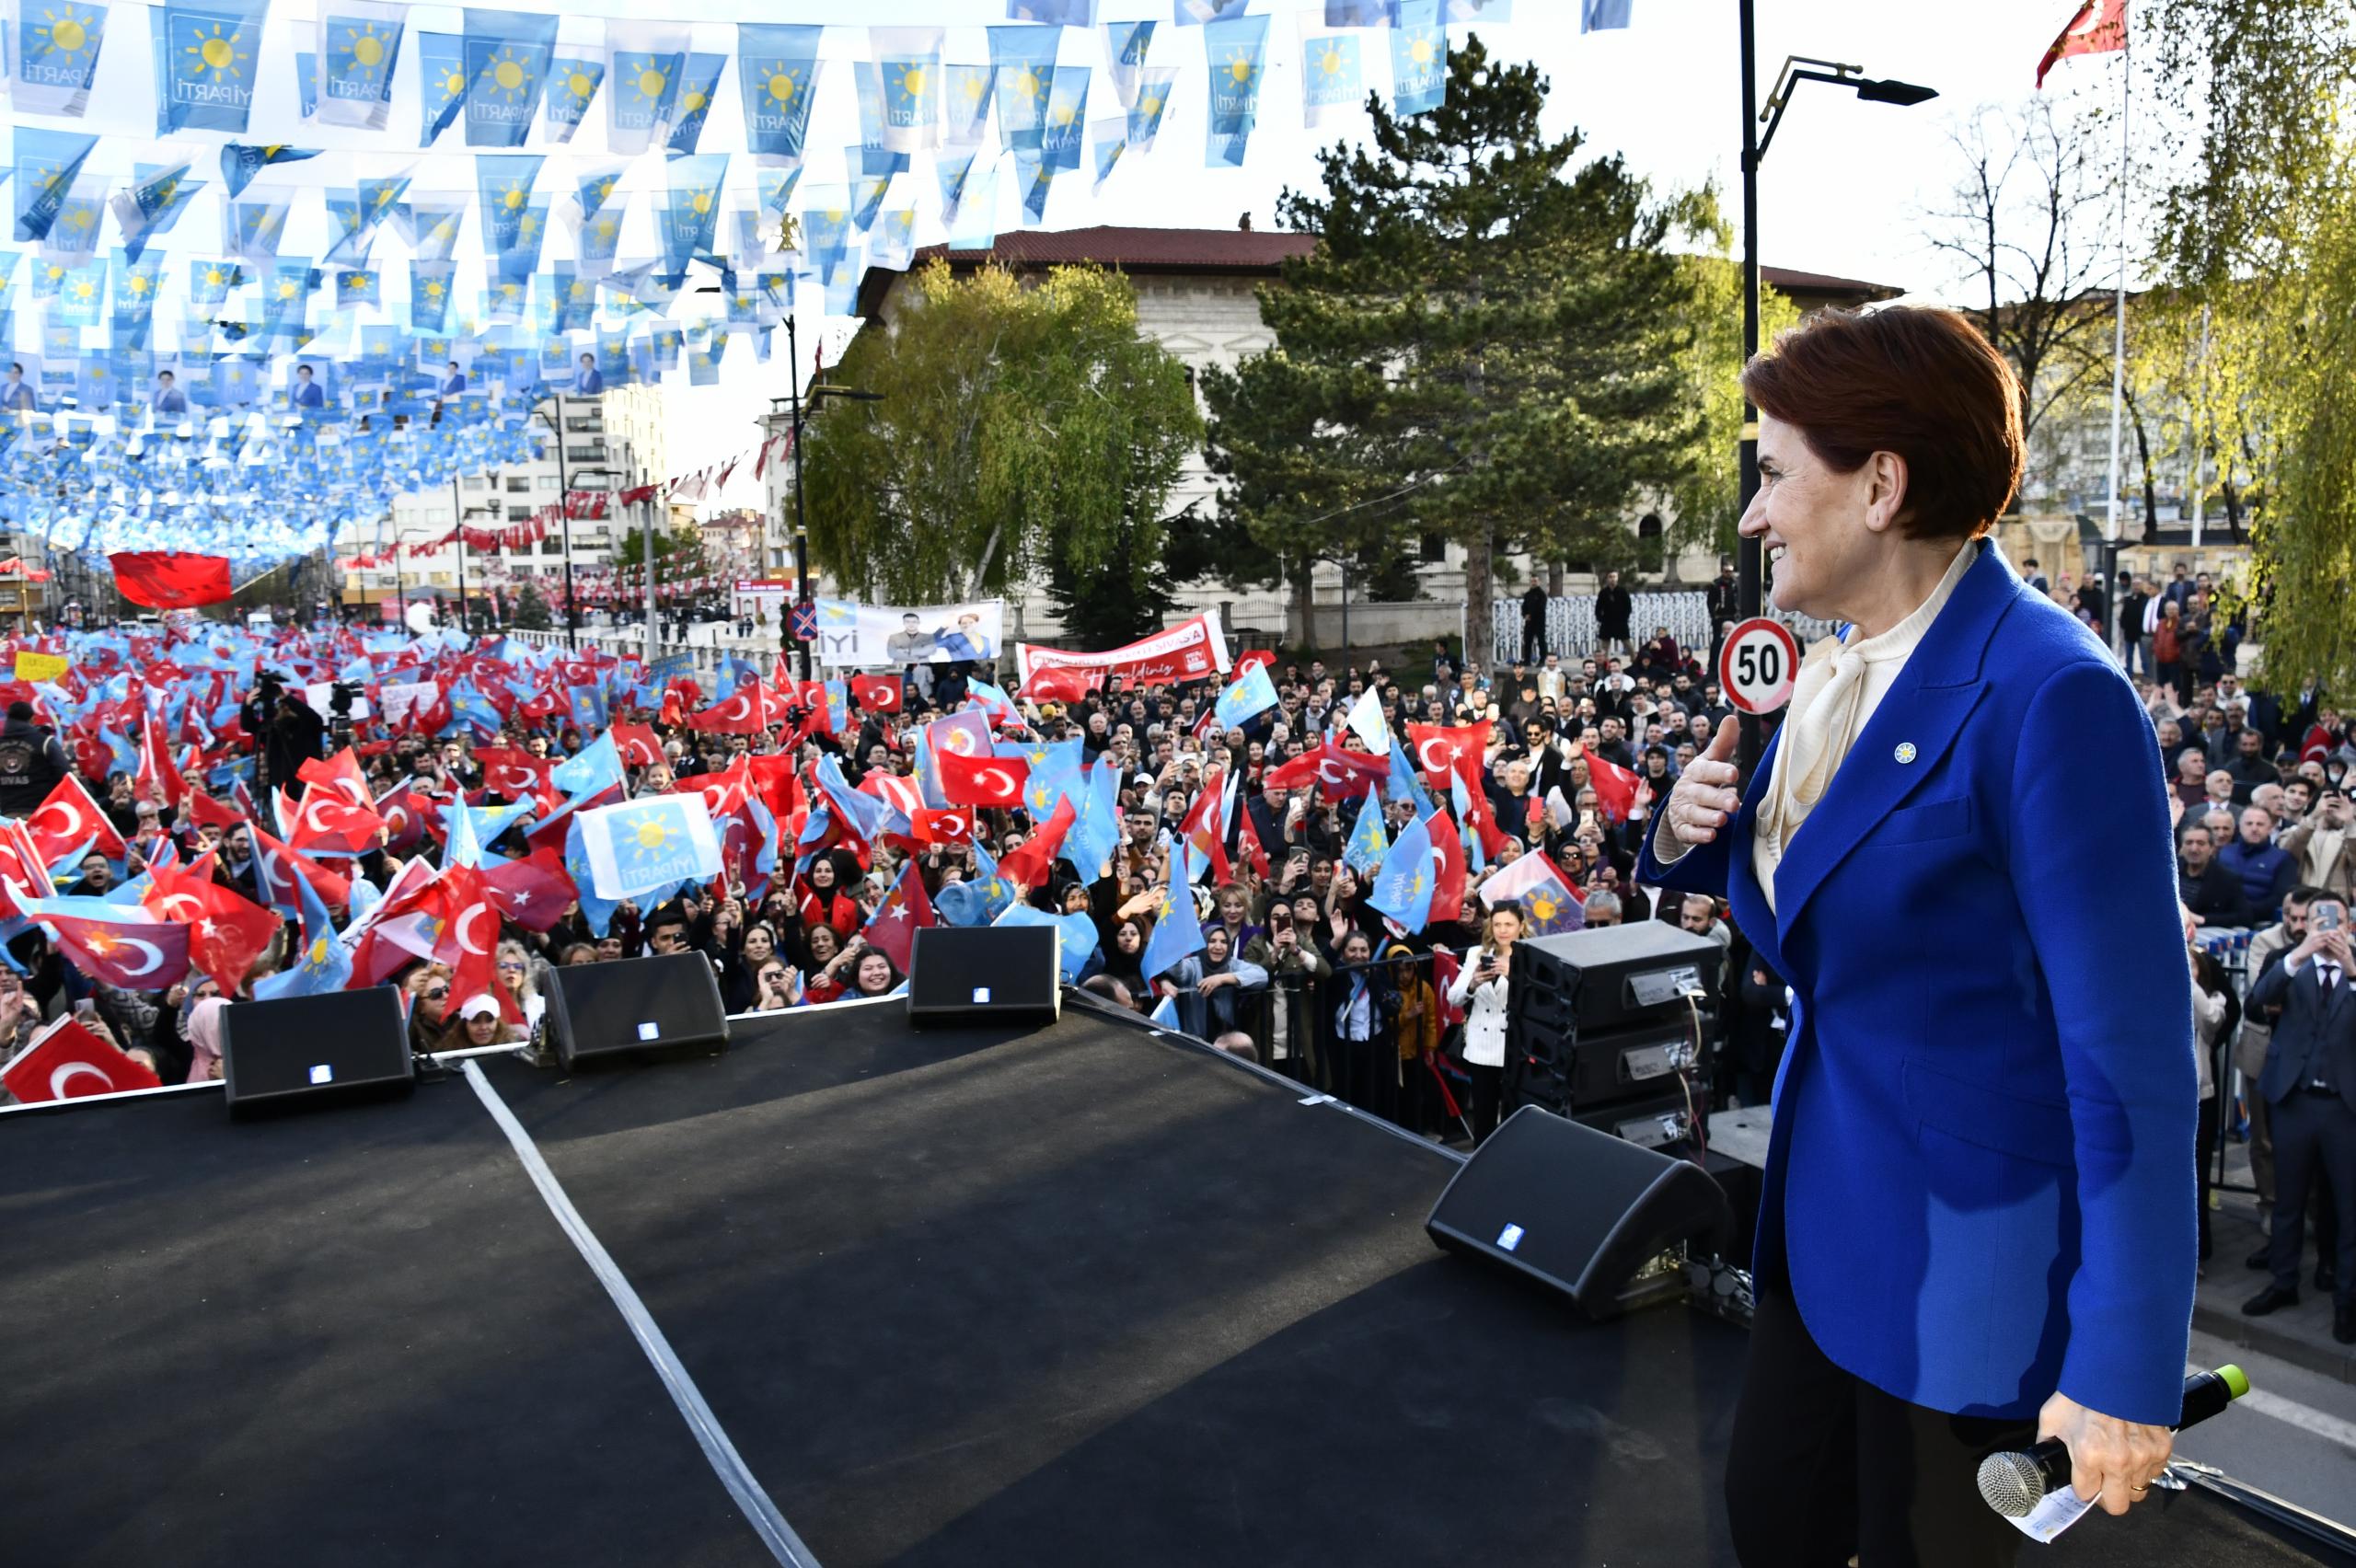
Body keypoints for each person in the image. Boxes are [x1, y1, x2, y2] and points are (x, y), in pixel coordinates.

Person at [1644, 305, 2190, 1562]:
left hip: (1971, 1281)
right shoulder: (1844, 666)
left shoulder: (2052, 696)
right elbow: (1846, 926)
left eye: (1774, 473)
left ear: (1879, 485)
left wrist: (2122, 1363)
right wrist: (1690, 831)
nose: (1753, 512)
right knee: (1773, 1521)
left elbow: (2136, 1064)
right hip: (1830, 1225)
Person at [2241, 897, 2356, 1345]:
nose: (2327, 929)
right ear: (2304, 923)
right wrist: (2300, 953)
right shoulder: (2287, 962)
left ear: (2349, 924)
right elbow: (2255, 1005)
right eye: (2317, 921)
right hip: (2294, 1102)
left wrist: (2352, 972)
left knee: (2348, 1208)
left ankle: (2346, 1299)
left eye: (2336, 921)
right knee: (2288, 1200)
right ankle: (2283, 1282)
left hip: (2345, 1108)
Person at [1446, 902, 1521, 1143]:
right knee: (1483, 1115)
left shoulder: (1528, 955)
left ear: (1520, 925)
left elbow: (1539, 998)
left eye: (1509, 924)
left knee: (1514, 1116)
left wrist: (1513, 974)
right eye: (1497, 924)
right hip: (1481, 1047)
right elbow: (1453, 997)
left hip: (1512, 1047)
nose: (1503, 930)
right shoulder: (1476, 954)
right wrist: (1473, 983)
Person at [0, 699, 70, 817]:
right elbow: (66, 775)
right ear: (32, 719)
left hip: (8, 816)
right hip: (41, 814)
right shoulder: (45, 742)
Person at [1593, 569, 1632, 658]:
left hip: (1620, 621)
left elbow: (1628, 607)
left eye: (1614, 577)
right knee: (1605, 645)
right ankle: (1605, 663)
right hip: (1607, 621)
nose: (1612, 579)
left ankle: (1635, 661)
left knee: (1627, 643)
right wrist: (1600, 618)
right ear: (1607, 579)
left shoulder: (1622, 591)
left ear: (1617, 578)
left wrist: (1624, 618)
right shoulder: (1603, 593)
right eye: (1610, 577)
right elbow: (1598, 607)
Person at [1520, 582, 1548, 663]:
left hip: (1539, 621)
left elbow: (1541, 607)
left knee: (1541, 641)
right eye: (1532, 581)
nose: (1533, 583)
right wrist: (1525, 615)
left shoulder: (1542, 595)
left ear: (1539, 582)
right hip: (1529, 622)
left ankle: (1542, 659)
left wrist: (1531, 615)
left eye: (1535, 581)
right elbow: (1524, 606)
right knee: (1527, 640)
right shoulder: (1528, 594)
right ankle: (1527, 659)